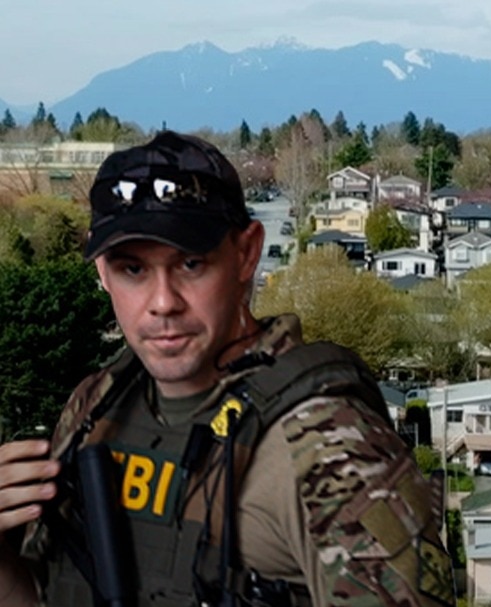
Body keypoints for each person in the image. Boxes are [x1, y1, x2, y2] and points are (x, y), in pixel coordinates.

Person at [0, 131, 454, 606]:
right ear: (102, 273)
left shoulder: (327, 446)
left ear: (246, 254)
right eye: (132, 270)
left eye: (191, 264)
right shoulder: (97, 405)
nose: (162, 303)